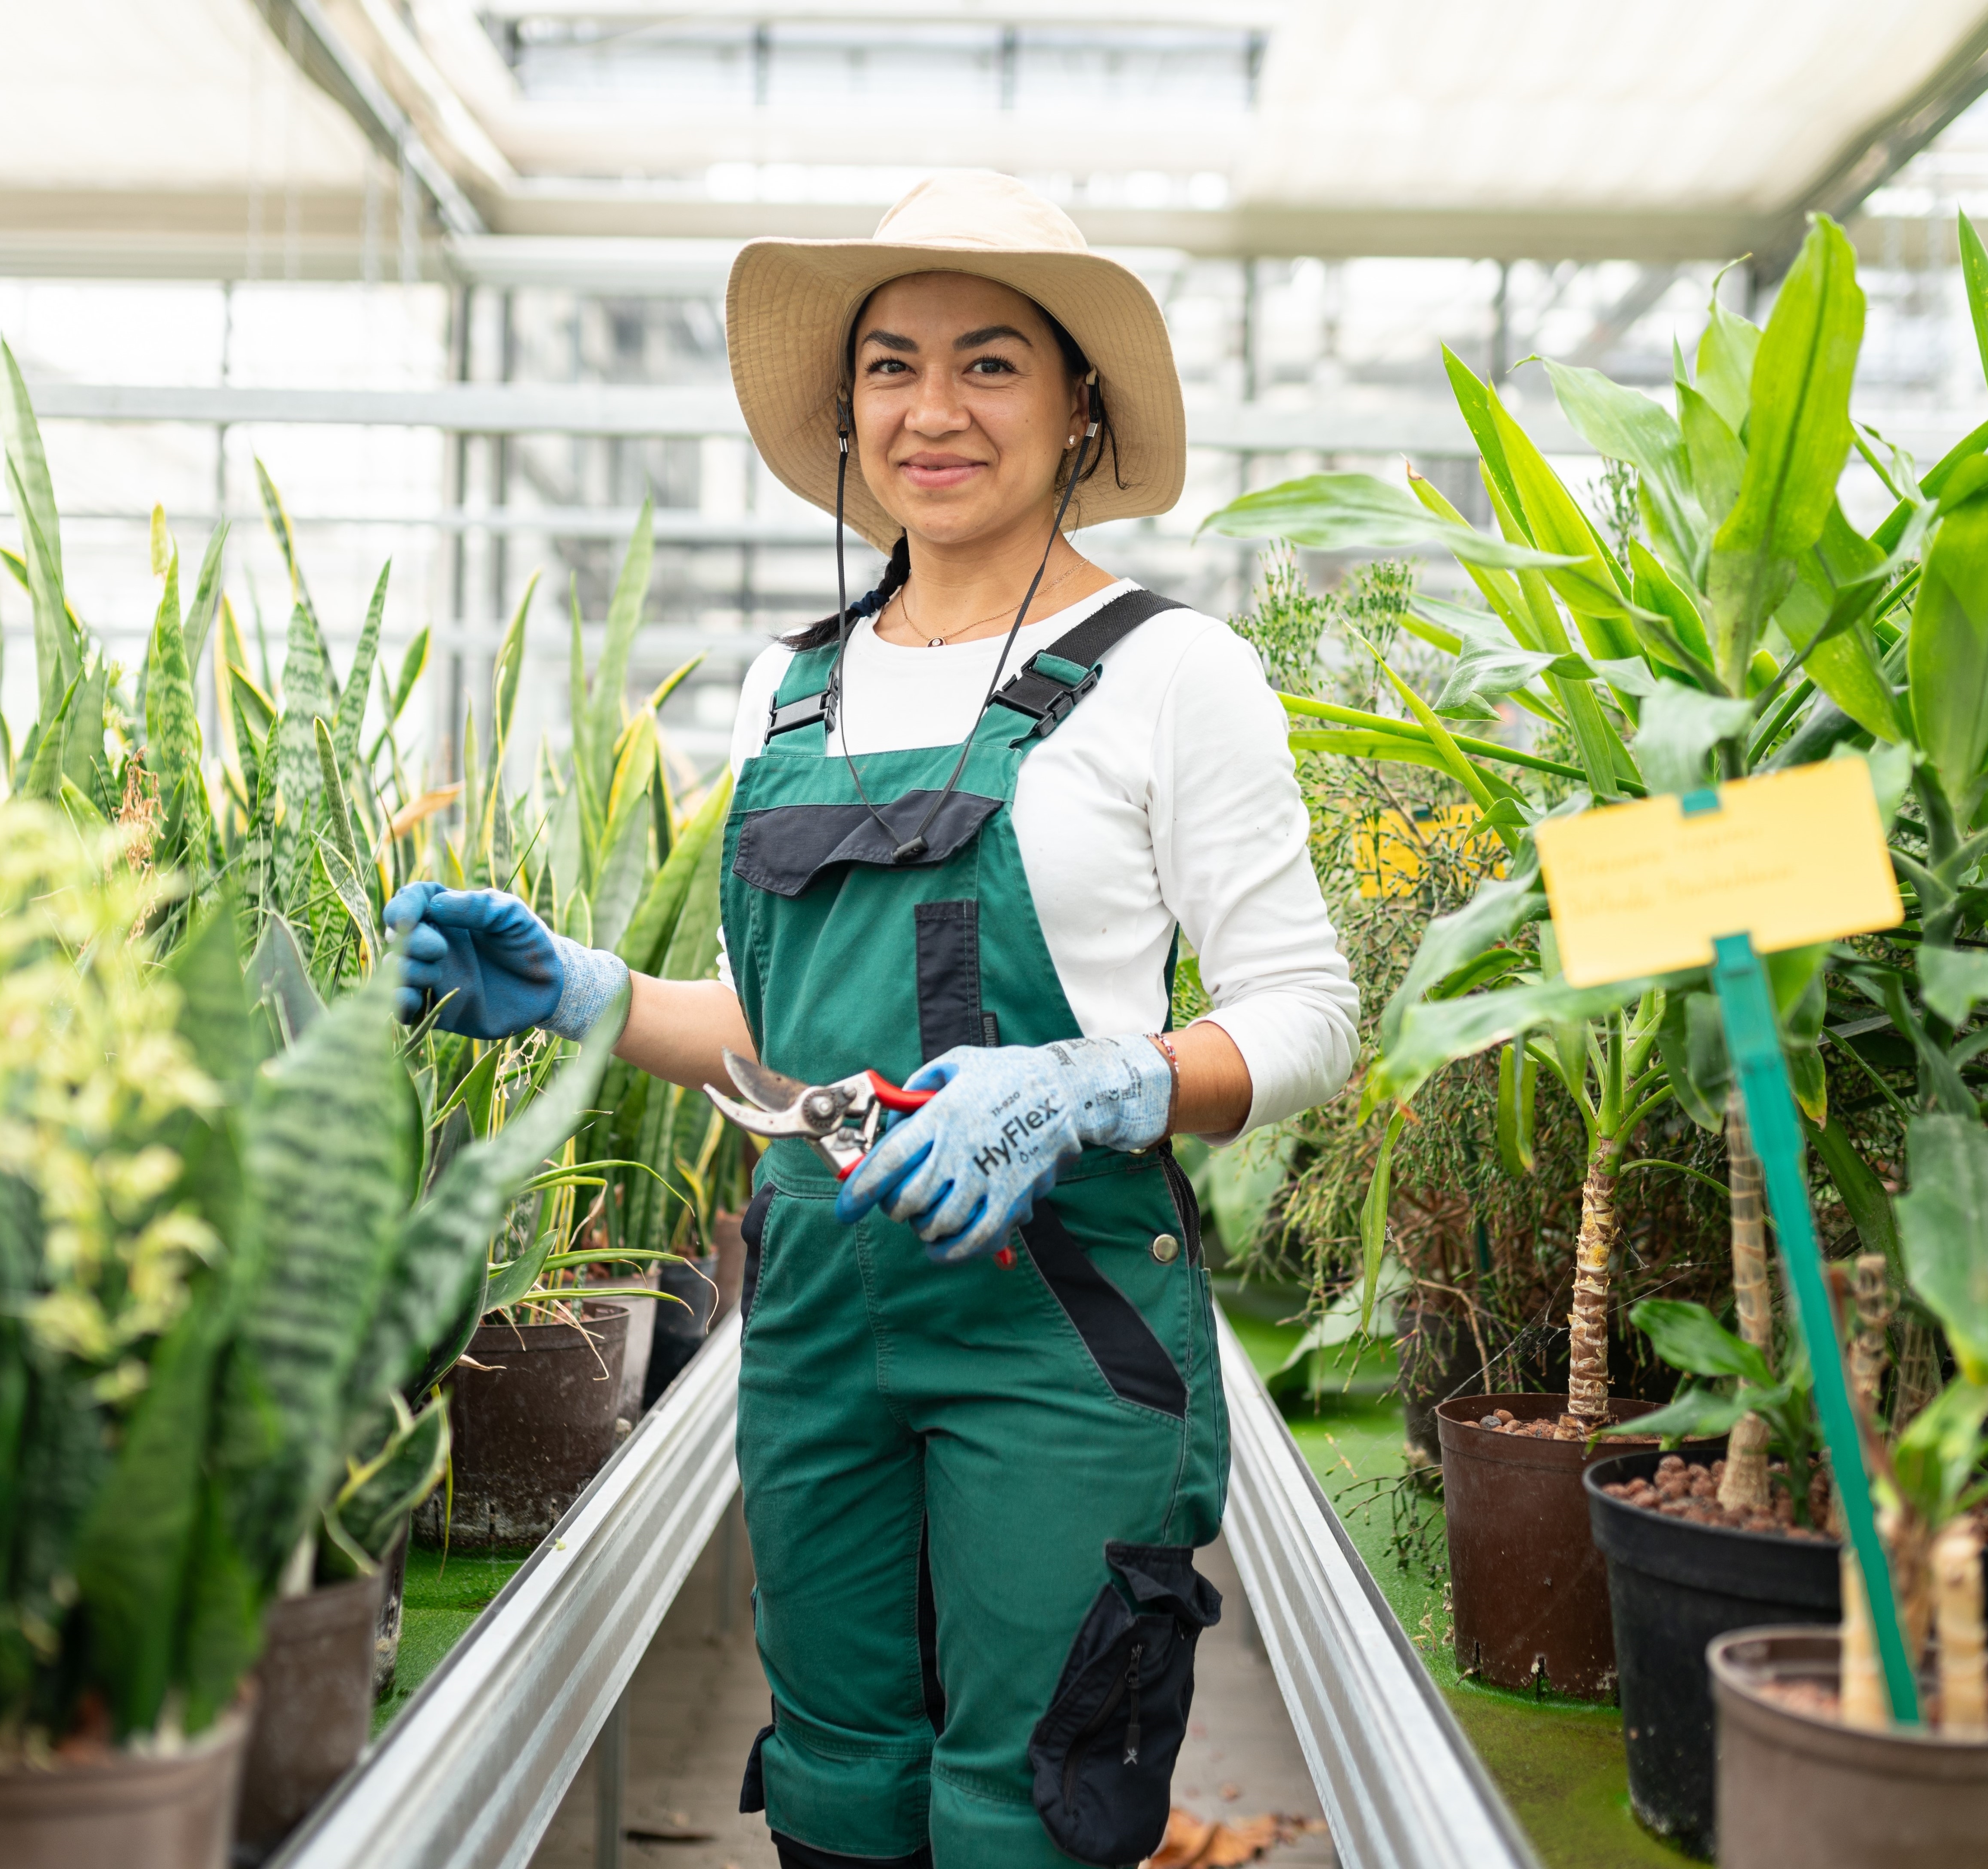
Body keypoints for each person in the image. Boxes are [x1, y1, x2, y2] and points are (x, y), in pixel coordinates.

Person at [384, 171, 1354, 1869]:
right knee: (836, 1783)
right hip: (822, 1315)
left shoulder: (1167, 669)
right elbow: (779, 1045)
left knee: (1024, 1812)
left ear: (1076, 411)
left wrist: (1097, 1080)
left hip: (1057, 1324)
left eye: (990, 364)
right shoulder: (789, 686)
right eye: (892, 364)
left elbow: (1308, 1013)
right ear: (843, 415)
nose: (933, 408)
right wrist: (587, 998)